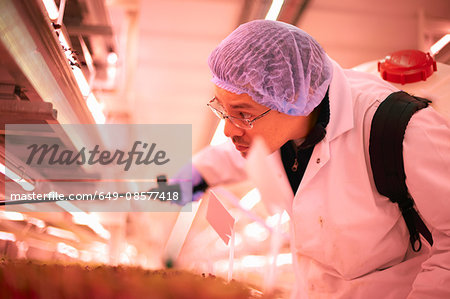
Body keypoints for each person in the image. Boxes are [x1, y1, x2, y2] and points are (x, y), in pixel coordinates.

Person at [189, 20, 450, 298]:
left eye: (243, 114)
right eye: (222, 109)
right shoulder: (281, 126)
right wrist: (197, 172)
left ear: (291, 99)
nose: (229, 129)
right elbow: (241, 150)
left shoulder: (400, 129)